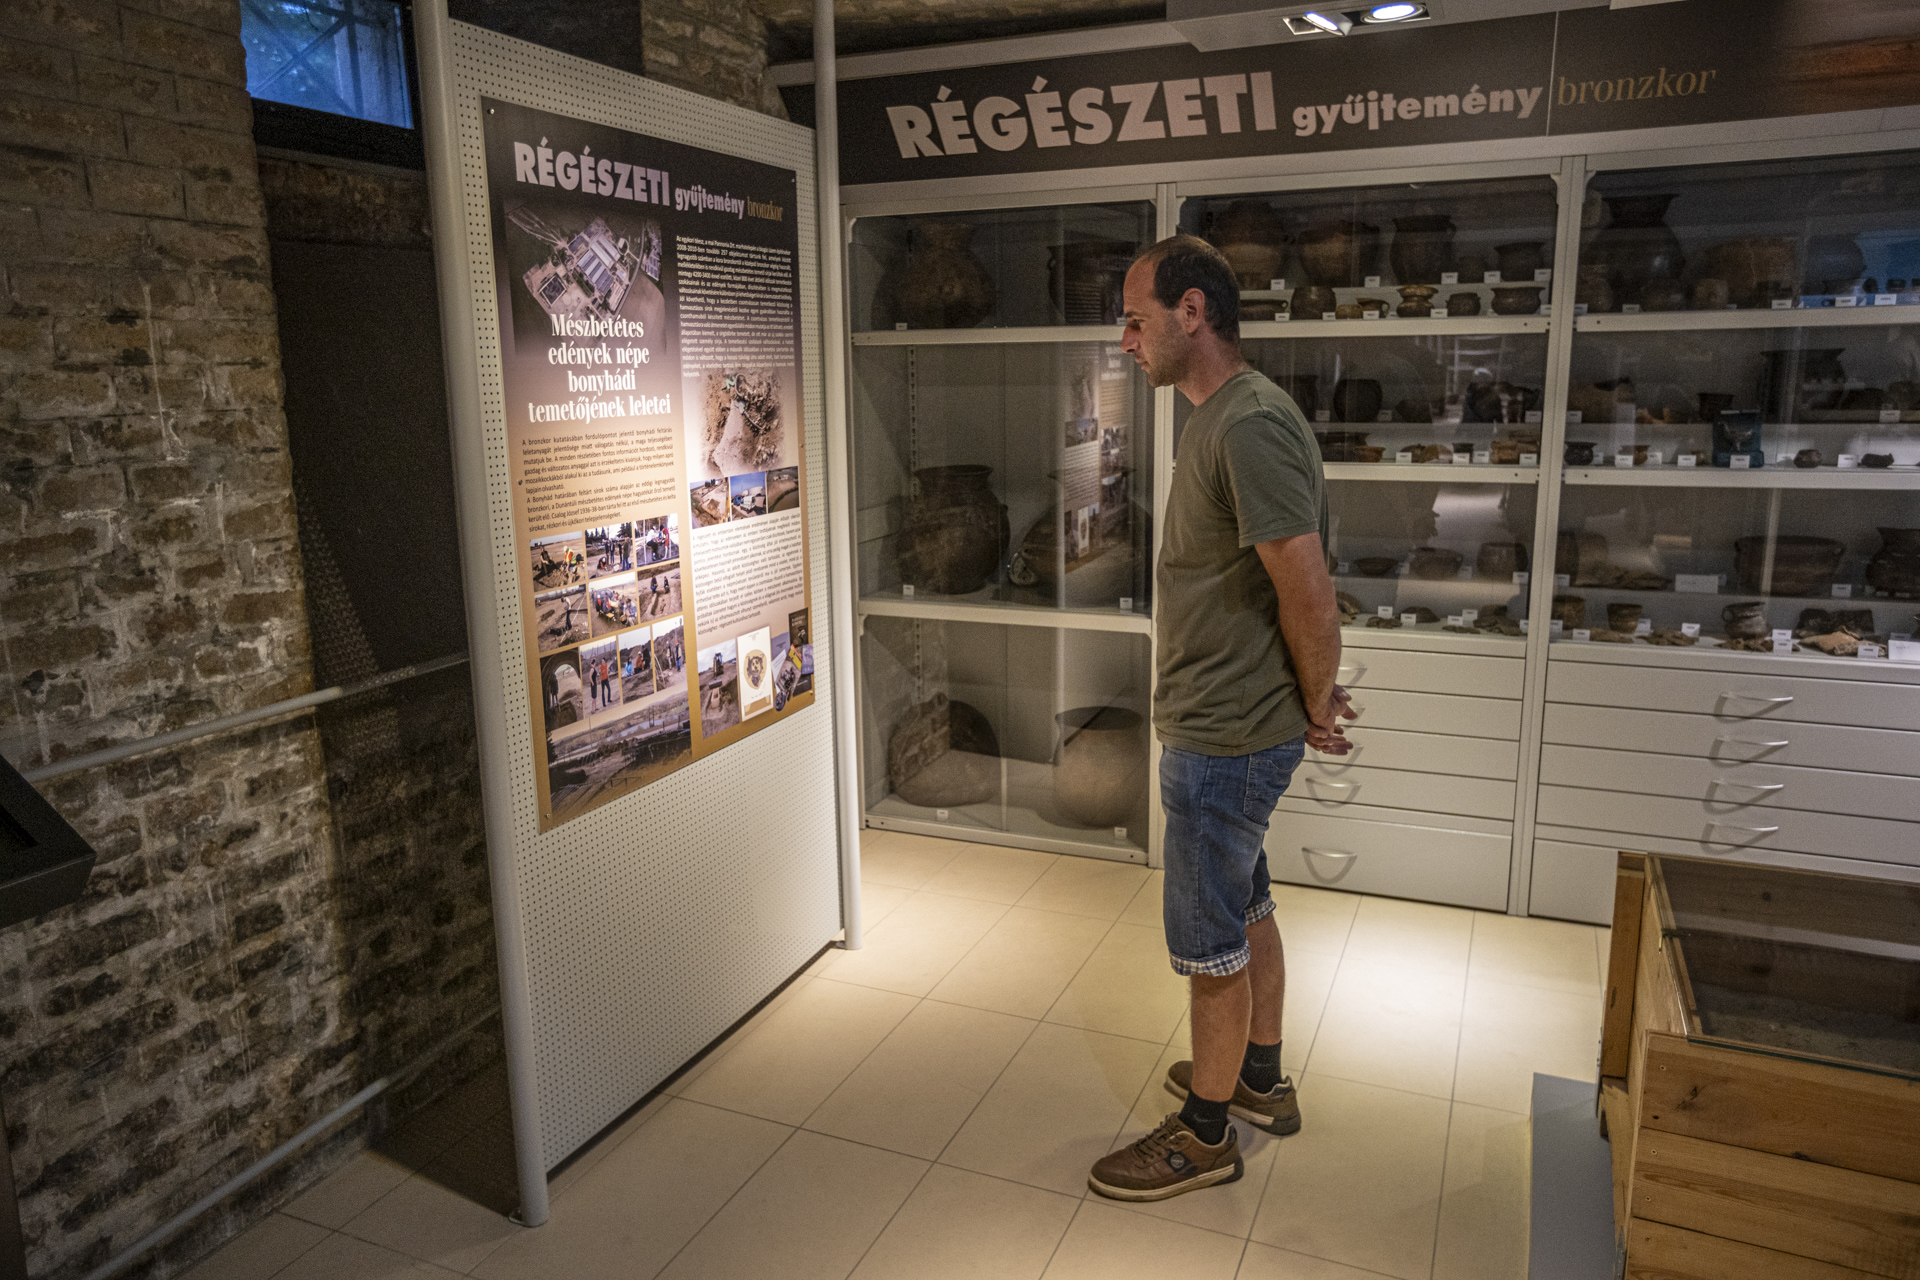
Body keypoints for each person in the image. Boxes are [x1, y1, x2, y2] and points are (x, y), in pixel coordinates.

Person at [1087, 235, 1356, 1204]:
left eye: (1137, 320)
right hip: (1231, 721)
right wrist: (1310, 692)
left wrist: (1317, 699)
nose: (1127, 341)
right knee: (1244, 906)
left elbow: (1307, 588)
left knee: (1209, 945)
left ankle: (1204, 1137)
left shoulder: (1248, 424)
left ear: (1192, 311)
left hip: (1225, 736)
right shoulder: (1223, 417)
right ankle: (1259, 1078)